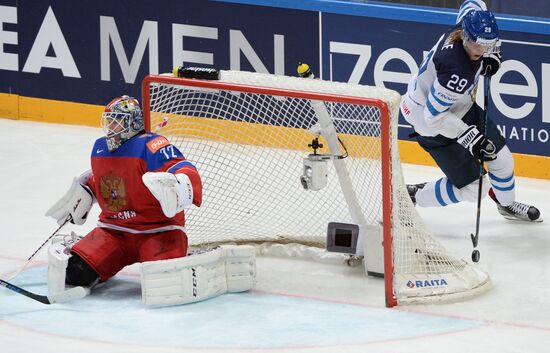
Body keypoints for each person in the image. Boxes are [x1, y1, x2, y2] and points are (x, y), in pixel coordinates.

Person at [44, 96, 255, 305]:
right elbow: (107, 180)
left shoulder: (152, 145)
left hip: (158, 231)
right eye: (109, 120)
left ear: (132, 122)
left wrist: (178, 184)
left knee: (164, 282)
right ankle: (86, 252)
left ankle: (207, 262)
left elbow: (184, 168)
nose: (110, 126)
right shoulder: (100, 148)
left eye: (116, 120)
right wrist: (86, 191)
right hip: (113, 231)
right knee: (75, 273)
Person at [401, 0, 541, 222]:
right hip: (429, 121)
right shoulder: (456, 70)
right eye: (478, 45)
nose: (482, 50)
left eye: (488, 45)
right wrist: (471, 138)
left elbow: (474, 2)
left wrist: (492, 54)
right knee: (475, 188)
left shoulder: (470, 22)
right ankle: (415, 195)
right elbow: (434, 117)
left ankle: (506, 206)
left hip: (458, 104)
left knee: (503, 161)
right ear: (465, 36)